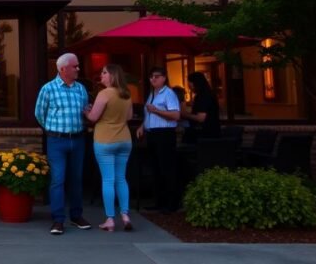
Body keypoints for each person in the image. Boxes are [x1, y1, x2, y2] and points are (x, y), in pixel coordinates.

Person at [35, 53, 93, 235]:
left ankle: (76, 216)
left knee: (76, 179)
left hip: (77, 139)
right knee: (58, 180)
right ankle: (58, 220)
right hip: (57, 140)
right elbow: (39, 113)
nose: (78, 69)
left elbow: (85, 110)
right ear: (62, 69)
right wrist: (52, 130)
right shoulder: (48, 89)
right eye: (74, 66)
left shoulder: (81, 89)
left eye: (77, 66)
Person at [83, 63, 134, 231]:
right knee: (121, 178)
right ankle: (125, 215)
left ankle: (110, 219)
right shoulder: (127, 94)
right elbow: (129, 116)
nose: (101, 76)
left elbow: (93, 117)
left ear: (112, 75)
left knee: (108, 180)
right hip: (124, 139)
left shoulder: (104, 93)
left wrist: (86, 112)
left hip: (105, 140)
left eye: (104, 73)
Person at [136, 66, 181, 214]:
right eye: (151, 77)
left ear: (164, 78)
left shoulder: (168, 94)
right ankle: (159, 201)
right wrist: (143, 125)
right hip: (153, 133)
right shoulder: (152, 94)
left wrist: (156, 110)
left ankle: (171, 203)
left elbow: (175, 115)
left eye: (156, 76)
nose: (153, 79)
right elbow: (149, 114)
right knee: (156, 168)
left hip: (165, 133)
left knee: (166, 168)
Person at [183, 72, 221, 144]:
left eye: (189, 83)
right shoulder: (207, 94)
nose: (189, 86)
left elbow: (200, 118)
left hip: (205, 135)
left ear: (195, 83)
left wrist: (184, 114)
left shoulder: (203, 96)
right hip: (209, 133)